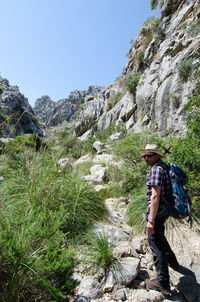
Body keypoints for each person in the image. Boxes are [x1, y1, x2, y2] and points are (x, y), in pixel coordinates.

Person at [139, 144, 179, 294]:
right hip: (165, 209)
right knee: (160, 237)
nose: (146, 159)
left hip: (158, 211)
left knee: (155, 242)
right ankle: (173, 261)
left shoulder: (156, 170)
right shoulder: (164, 167)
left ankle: (162, 281)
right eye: (145, 156)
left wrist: (150, 220)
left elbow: (155, 196)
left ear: (157, 156)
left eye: (149, 156)